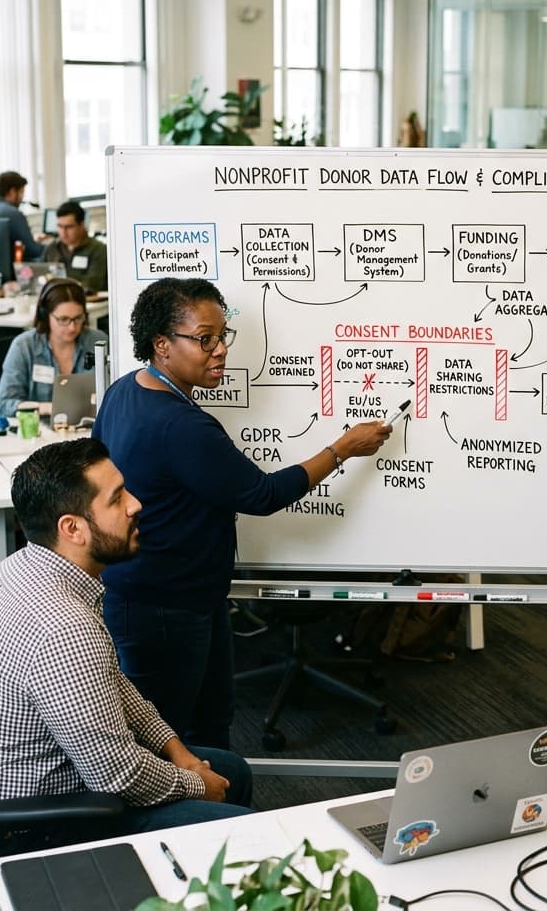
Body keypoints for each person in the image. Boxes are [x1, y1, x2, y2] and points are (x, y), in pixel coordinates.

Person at [92, 277, 392, 748]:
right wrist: (343, 448)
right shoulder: (182, 426)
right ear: (161, 345)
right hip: (167, 603)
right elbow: (261, 494)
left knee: (206, 722)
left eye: (222, 336)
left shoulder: (126, 389)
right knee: (174, 738)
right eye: (204, 339)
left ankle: (217, 811)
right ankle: (190, 821)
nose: (220, 351)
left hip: (161, 592)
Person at [0, 438, 252, 854]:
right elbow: (118, 776)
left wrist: (174, 748)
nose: (136, 505)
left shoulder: (22, 566)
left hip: (35, 778)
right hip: (41, 823)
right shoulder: (63, 628)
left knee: (232, 770)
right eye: (117, 498)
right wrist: (198, 784)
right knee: (247, 829)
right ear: (72, 528)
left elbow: (111, 681)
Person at [0, 277, 107, 418]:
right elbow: (4, 405)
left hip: (87, 428)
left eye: (78, 318)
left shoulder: (98, 341)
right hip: (39, 432)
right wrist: (46, 408)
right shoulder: (24, 346)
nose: (72, 327)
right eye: (63, 319)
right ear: (45, 316)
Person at [42, 200, 108, 294]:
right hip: (54, 298)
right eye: (60, 227)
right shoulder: (52, 248)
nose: (63, 232)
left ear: (81, 225)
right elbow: (40, 276)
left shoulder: (98, 249)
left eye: (68, 227)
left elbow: (92, 284)